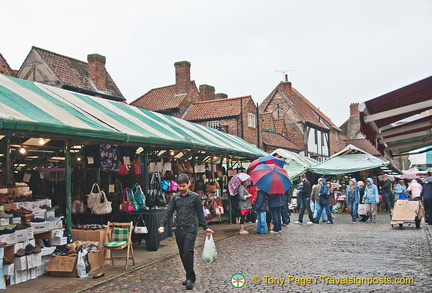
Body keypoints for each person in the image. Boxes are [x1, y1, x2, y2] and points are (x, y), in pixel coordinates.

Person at [158, 174, 214, 290]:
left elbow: (200, 213)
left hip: (191, 228)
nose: (181, 188)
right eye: (179, 186)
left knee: (188, 252)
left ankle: (189, 278)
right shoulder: (175, 198)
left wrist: (205, 227)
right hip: (179, 230)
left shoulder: (195, 197)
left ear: (188, 184)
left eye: (183, 186)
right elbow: (169, 211)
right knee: (183, 254)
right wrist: (162, 225)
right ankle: (191, 275)